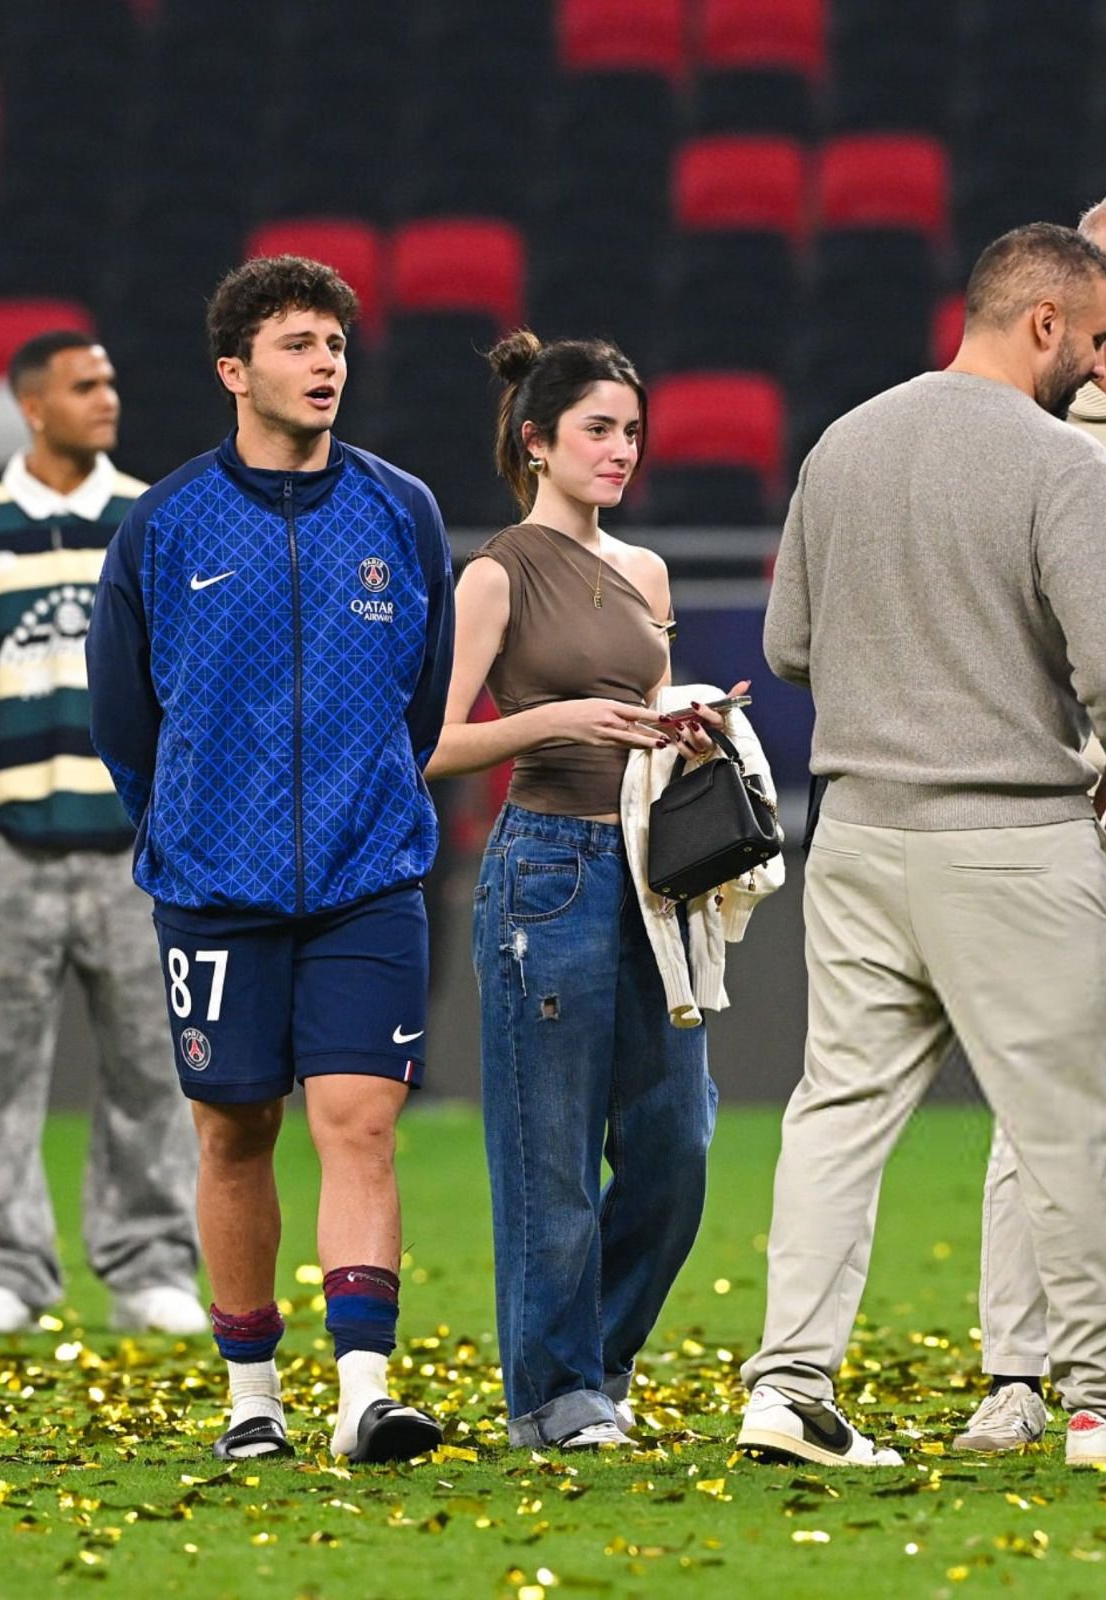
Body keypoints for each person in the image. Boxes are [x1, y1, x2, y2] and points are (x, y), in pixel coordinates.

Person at [738, 221, 1106, 1469]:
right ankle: (1103, 1405)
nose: (1097, 365)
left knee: (835, 1115)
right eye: (1091, 339)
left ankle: (786, 1387)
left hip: (861, 838)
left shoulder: (842, 444)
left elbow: (785, 648)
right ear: (1042, 321)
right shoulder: (1057, 462)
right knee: (1068, 1130)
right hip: (1014, 843)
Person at [86, 255, 454, 1464]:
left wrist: (366, 802)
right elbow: (122, 717)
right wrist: (188, 820)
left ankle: (362, 1392)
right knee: (234, 1132)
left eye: (336, 343)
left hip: (367, 879)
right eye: (298, 344)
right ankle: (253, 1396)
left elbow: (425, 697)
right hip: (210, 885)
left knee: (358, 1121)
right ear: (233, 371)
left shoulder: (399, 510)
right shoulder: (167, 521)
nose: (327, 363)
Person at [424, 330, 768, 1449]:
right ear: (536, 441)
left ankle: (594, 1369)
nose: (621, 450)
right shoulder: (494, 572)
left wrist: (694, 721)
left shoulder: (645, 573)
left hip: (649, 875)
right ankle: (555, 1393)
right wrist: (555, 720)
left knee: (676, 1143)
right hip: (545, 871)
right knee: (551, 1154)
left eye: (631, 430)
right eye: (597, 430)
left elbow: (643, 707)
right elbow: (427, 746)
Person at [0, 331, 204, 1338]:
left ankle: (150, 1262)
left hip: (135, 850)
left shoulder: (152, 523)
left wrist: (176, 815)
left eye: (113, 379)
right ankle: (3, 1265)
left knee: (155, 1064)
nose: (108, 397)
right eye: (87, 385)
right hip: (11, 850)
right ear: (33, 407)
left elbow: (195, 683)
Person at [957, 187, 1106, 1454]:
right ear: (1085, 303)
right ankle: (1018, 1372)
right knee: (1041, 1102)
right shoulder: (1036, 433)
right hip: (1075, 808)